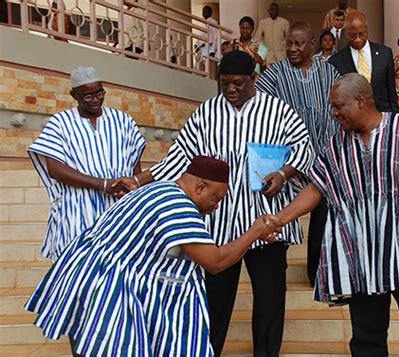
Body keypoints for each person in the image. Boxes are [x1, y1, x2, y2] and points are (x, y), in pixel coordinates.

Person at [112, 50, 314, 356]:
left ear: (254, 79)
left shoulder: (279, 110)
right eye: (225, 84)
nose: (231, 89)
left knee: (270, 300)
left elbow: (304, 148)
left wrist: (283, 174)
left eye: (238, 83)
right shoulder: (206, 113)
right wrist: (140, 181)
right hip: (218, 224)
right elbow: (179, 157)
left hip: (267, 220)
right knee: (215, 301)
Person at [275, 73, 399, 357]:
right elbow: (316, 189)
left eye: (338, 106)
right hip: (362, 256)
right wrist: (280, 219)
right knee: (366, 339)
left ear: (360, 101)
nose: (334, 113)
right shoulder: (335, 145)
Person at [25, 156, 282, 357]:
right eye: (216, 199)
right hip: (106, 286)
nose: (215, 208)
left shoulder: (157, 190)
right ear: (201, 187)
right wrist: (255, 231)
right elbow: (215, 262)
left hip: (84, 275)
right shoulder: (178, 205)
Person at [27, 66, 146, 261]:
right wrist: (101, 184)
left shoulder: (123, 121)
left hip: (117, 208)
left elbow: (134, 161)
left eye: (100, 93)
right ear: (74, 95)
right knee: (74, 266)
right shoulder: (60, 123)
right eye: (88, 96)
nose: (96, 99)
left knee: (117, 266)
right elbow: (55, 169)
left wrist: (131, 189)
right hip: (77, 210)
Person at [256, 22, 339, 287]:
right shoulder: (275, 73)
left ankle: (317, 273)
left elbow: (339, 106)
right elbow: (257, 107)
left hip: (324, 157)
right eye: (289, 43)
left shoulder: (328, 71)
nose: (292, 48)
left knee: (323, 215)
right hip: (285, 161)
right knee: (278, 213)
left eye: (298, 44)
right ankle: (273, 269)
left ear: (311, 44)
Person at [329, 11, 399, 113]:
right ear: (345, 33)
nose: (358, 39)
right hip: (353, 120)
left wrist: (395, 118)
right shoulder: (336, 61)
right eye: (352, 35)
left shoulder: (385, 54)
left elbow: (391, 91)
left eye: (361, 34)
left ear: (366, 29)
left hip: (382, 116)